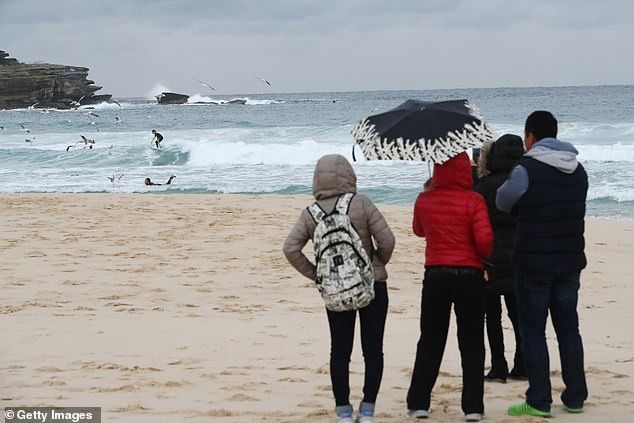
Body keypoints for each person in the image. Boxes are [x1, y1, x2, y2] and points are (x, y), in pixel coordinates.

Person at [283, 154, 395, 423]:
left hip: (334, 288)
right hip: (372, 286)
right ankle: (367, 409)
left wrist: (317, 275)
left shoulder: (311, 213)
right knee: (373, 349)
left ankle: (343, 410)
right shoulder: (362, 203)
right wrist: (376, 263)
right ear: (349, 175)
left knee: (340, 350)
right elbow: (388, 240)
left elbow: (290, 248)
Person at [496, 111, 588, 417]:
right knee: (568, 329)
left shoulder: (526, 168)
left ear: (530, 137)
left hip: (534, 261)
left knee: (533, 331)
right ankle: (574, 397)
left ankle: (539, 400)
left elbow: (503, 201)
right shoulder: (578, 170)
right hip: (570, 260)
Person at [406, 152, 493, 422]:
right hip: (469, 276)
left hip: (435, 274)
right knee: (472, 342)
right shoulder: (474, 200)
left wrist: (428, 193)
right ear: (466, 171)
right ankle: (473, 407)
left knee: (431, 339)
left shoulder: (425, 199)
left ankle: (419, 402)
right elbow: (485, 243)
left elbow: (418, 230)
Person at [474, 135, 526, 383]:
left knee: (492, 315)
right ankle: (522, 363)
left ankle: (498, 365)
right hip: (519, 255)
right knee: (518, 314)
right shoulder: (524, 182)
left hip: (490, 258)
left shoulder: (482, 186)